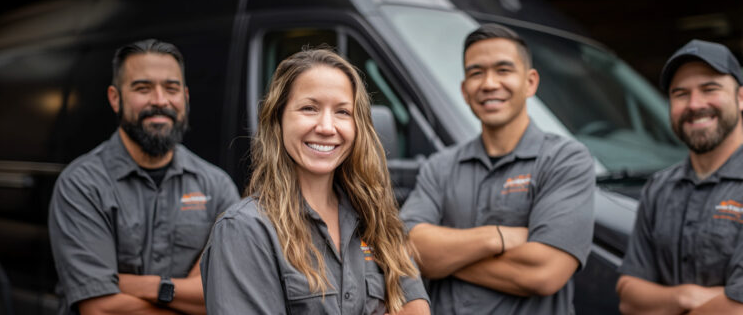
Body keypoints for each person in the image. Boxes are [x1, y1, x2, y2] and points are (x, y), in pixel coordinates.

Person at [200, 48, 430, 314]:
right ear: (278, 119)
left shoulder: (376, 217)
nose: (326, 127)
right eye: (309, 108)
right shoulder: (245, 229)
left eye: (343, 112)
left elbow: (416, 307)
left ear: (359, 127)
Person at [398, 23, 596, 314]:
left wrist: (443, 261)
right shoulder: (439, 167)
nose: (489, 83)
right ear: (465, 90)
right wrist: (498, 236)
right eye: (476, 72)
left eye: (503, 70)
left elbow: (544, 273)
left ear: (530, 82)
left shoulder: (565, 159)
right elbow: (405, 249)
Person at [48, 38, 240, 315]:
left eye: (171, 88)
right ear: (115, 98)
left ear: (185, 97)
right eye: (143, 88)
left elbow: (227, 294)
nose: (160, 101)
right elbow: (99, 309)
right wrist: (190, 300)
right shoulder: (82, 185)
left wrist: (148, 287)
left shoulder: (217, 186)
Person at [616, 39, 743, 314]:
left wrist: (659, 301)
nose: (695, 104)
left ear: (741, 97)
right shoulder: (659, 188)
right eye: (680, 94)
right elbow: (629, 297)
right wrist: (684, 297)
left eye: (710, 89)